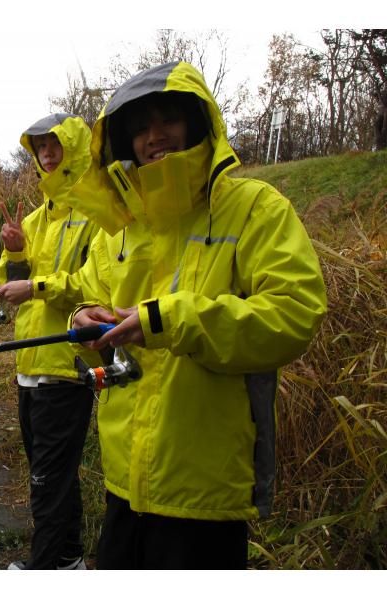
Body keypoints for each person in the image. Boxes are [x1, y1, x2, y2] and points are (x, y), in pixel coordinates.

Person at [63, 61, 327, 569]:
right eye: (140, 127)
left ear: (196, 123)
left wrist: (170, 320)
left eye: (169, 121)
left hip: (204, 488)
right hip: (125, 476)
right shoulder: (119, 227)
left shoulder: (254, 207)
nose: (153, 137)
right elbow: (87, 298)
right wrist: (82, 319)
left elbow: (293, 314)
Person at [0, 113, 101, 570]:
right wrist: (16, 251)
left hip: (67, 363)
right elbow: (8, 289)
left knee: (45, 478)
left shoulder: (98, 215)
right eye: (40, 148)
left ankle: (42, 567)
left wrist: (36, 286)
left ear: (73, 149)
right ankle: (69, 557)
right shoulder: (33, 219)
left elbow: (96, 286)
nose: (48, 155)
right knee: (51, 472)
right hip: (29, 364)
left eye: (54, 145)